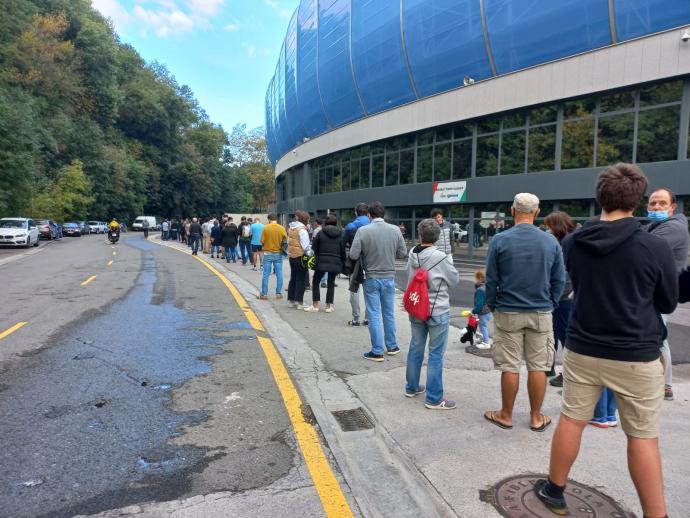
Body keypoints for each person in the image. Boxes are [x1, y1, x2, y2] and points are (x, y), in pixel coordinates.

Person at [533, 164, 677, 518]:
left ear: (600, 196)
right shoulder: (653, 247)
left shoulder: (575, 243)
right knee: (642, 436)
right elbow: (668, 301)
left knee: (571, 419)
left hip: (583, 347)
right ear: (639, 201)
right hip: (636, 351)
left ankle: (554, 489)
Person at [483, 193, 565, 431]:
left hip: (508, 311)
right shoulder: (550, 242)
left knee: (510, 365)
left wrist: (493, 304)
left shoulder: (500, 240)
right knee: (537, 366)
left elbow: (491, 279)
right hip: (540, 311)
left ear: (512, 211)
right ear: (537, 212)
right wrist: (551, 303)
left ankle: (506, 414)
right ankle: (536, 417)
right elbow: (559, 279)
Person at [405, 219, 461, 408]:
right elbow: (454, 280)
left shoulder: (412, 253)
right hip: (437, 309)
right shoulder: (441, 256)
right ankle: (434, 398)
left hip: (416, 307)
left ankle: (411, 387)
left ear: (420, 235)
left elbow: (410, 278)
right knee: (436, 354)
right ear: (437, 237)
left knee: (415, 348)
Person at [644, 188, 689, 401]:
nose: (657, 207)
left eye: (662, 203)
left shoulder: (673, 228)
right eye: (653, 203)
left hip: (660, 293)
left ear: (672, 207)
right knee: (659, 337)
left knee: (659, 339)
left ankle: (666, 385)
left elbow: (642, 246)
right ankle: (664, 383)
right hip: (653, 291)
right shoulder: (656, 225)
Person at [349, 201, 408, 361]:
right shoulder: (395, 230)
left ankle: (377, 351)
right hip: (389, 276)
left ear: (369, 215)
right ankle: (392, 345)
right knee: (388, 313)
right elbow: (403, 253)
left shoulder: (362, 231)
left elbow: (353, 255)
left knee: (374, 314)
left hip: (371, 277)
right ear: (384, 214)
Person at [544, 211, 576, 385]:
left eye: (549, 226)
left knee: (564, 336)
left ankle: (567, 373)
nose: (547, 230)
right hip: (560, 297)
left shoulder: (569, 243)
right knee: (552, 333)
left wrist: (554, 296)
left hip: (564, 298)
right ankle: (549, 366)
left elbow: (564, 276)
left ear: (557, 226)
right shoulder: (563, 241)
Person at [306, 214, 345, 312]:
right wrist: (342, 261)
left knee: (316, 281)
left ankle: (315, 305)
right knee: (331, 282)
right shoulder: (340, 234)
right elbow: (343, 250)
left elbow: (314, 248)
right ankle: (329, 306)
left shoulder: (320, 233)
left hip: (321, 261)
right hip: (335, 261)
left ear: (325, 223)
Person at [343, 203, 370, 327]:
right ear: (368, 213)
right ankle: (368, 318)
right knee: (369, 291)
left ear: (356, 212)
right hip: (370, 261)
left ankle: (356, 318)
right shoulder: (372, 225)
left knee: (354, 289)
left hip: (355, 262)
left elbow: (343, 243)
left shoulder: (351, 226)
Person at [259, 213, 288, 300]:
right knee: (279, 273)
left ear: (269, 219)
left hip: (267, 253)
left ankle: (264, 294)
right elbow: (285, 241)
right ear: (276, 219)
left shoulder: (265, 228)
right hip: (278, 253)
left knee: (266, 274)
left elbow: (262, 241)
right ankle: (278, 293)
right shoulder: (282, 228)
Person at [287, 211, 312, 308]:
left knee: (293, 278)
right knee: (301, 279)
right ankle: (299, 302)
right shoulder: (302, 230)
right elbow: (305, 246)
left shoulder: (291, 228)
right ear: (305, 219)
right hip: (300, 256)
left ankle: (291, 299)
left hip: (292, 256)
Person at [472, 270, 492, 348]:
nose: (475, 280)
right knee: (482, 325)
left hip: (483, 311)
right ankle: (484, 338)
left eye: (476, 278)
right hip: (489, 310)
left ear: (480, 279)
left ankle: (486, 343)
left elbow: (479, 304)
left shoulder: (480, 290)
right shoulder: (487, 287)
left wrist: (474, 311)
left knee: (483, 326)